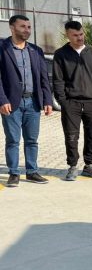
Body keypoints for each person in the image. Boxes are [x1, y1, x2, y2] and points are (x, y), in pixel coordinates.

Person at [0, 15, 53, 187]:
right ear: (12, 28)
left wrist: (47, 100)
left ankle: (32, 172)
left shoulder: (36, 50)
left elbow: (44, 77)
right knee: (13, 140)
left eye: (29, 27)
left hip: (33, 102)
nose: (26, 30)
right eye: (22, 26)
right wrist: (2, 100)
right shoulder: (2, 48)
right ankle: (14, 173)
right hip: (11, 102)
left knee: (32, 140)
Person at [52, 20, 92, 181]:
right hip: (71, 103)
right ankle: (73, 166)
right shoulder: (61, 54)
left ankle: (89, 165)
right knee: (71, 136)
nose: (79, 38)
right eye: (75, 35)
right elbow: (58, 80)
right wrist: (63, 101)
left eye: (81, 34)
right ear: (67, 35)